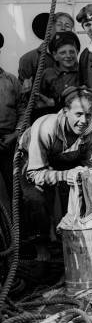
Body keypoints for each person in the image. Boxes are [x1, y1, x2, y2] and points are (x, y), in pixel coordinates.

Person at [19, 86, 92, 262]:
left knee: (86, 195)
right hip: (32, 161)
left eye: (88, 115)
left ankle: (75, 242)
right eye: (78, 114)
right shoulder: (46, 127)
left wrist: (84, 176)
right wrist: (65, 176)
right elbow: (34, 173)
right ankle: (41, 245)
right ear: (65, 112)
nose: (83, 121)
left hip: (67, 161)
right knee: (36, 199)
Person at [19, 12, 75, 91]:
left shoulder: (72, 57)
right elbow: (22, 95)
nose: (63, 28)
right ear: (50, 28)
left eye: (67, 26)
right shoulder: (28, 59)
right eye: (59, 24)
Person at [35, 31, 81, 122]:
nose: (68, 56)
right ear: (55, 56)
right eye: (63, 53)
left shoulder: (82, 72)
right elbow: (40, 102)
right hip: (54, 121)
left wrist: (54, 103)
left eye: (72, 52)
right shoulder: (48, 74)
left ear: (77, 52)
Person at [0, 32, 23, 203]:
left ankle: (18, 229)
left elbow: (23, 110)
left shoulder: (11, 80)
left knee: (15, 190)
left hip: (10, 142)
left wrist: (15, 134)